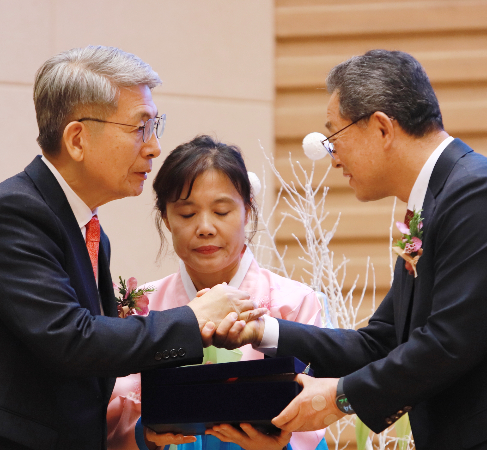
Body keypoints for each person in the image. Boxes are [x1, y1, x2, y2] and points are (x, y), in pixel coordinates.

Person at [212, 50, 487, 449]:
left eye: (334, 138)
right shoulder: (428, 206)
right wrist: (260, 329)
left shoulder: (480, 192)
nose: (333, 159)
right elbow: (382, 341)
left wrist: (340, 396)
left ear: (382, 128)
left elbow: (449, 343)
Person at [0, 46, 264, 450]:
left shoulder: (87, 229)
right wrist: (192, 318)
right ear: (77, 139)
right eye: (140, 127)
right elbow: (71, 341)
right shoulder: (13, 212)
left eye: (155, 125)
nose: (154, 147)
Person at [105, 136, 329, 450]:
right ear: (166, 218)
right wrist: (143, 434)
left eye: (222, 212)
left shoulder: (294, 303)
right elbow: (109, 420)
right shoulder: (139, 305)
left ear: (247, 211)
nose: (205, 227)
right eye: (187, 214)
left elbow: (313, 421)